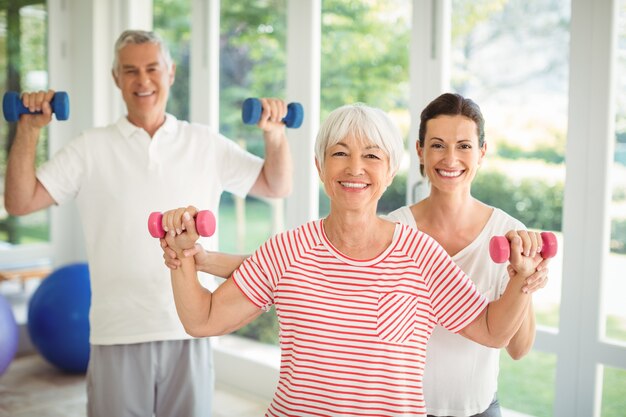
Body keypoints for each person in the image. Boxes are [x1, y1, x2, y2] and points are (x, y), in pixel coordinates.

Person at [158, 103, 548, 417]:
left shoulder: (422, 254)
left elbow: (493, 333)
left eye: (372, 156)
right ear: (320, 167)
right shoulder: (287, 249)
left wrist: (520, 279)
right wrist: (182, 256)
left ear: (391, 169)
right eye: (340, 153)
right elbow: (202, 319)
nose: (355, 168)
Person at [4, 29, 293, 417]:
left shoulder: (204, 142)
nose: (143, 80)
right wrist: (28, 129)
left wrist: (275, 135)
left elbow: (276, 185)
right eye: (130, 70)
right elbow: (20, 202)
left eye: (152, 68)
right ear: (115, 78)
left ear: (170, 73)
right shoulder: (89, 148)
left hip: (190, 326)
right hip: (117, 331)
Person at [386, 92, 549, 417]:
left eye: (464, 146)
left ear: (481, 152)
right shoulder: (392, 231)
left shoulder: (510, 233)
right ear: (420, 151)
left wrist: (524, 281)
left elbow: (519, 348)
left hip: (479, 409)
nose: (450, 159)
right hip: (403, 408)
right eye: (437, 145)